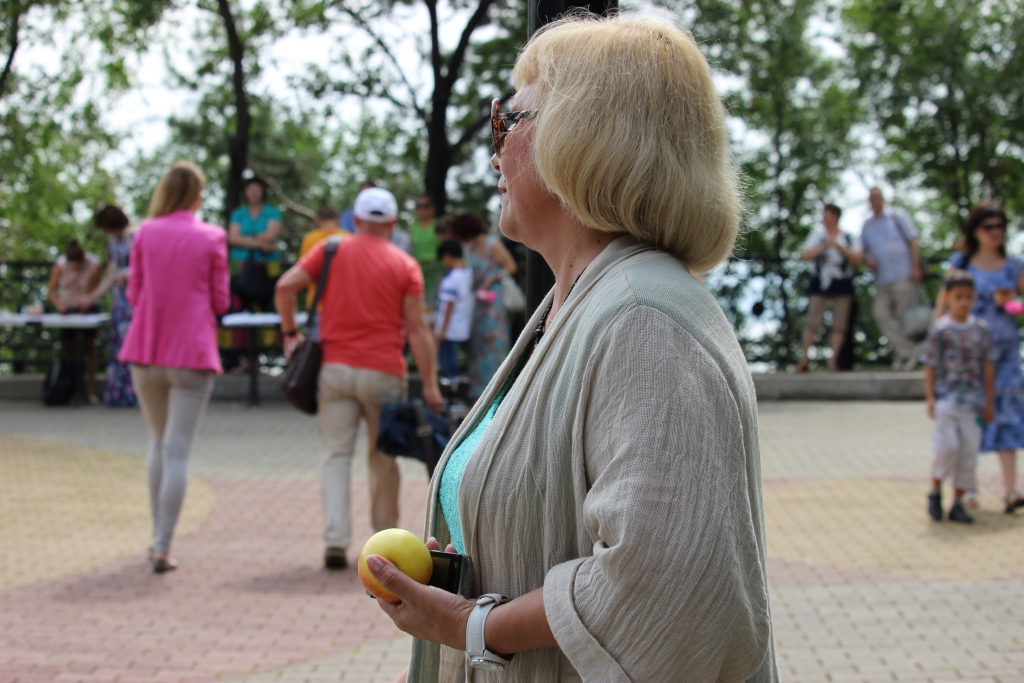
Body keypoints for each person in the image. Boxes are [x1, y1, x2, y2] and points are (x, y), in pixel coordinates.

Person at [364, 15, 778, 682]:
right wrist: (476, 553)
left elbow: (661, 582)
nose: (493, 152)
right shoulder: (581, 302)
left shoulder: (644, 317)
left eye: (507, 121)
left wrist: (471, 625)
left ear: (582, 136)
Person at [275, 187, 443, 571]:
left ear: (356, 219)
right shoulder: (404, 264)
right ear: (393, 224)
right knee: (383, 458)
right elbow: (417, 329)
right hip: (383, 371)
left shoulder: (331, 249)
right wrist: (430, 383)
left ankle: (335, 542)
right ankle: (383, 548)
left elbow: (285, 286)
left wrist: (289, 334)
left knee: (336, 454)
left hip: (333, 370)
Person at [119, 161, 231, 573]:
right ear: (198, 195)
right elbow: (221, 302)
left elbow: (134, 294)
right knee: (178, 449)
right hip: (193, 352)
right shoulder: (211, 236)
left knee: (157, 443)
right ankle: (164, 544)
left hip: (146, 348)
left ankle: (156, 537)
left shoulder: (144, 233)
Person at [936, 201, 1024, 513]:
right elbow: (943, 308)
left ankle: (1012, 489)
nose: (996, 232)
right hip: (967, 356)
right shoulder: (962, 263)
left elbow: (1021, 306)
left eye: (1000, 226)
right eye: (989, 227)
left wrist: (1013, 303)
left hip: (1006, 352)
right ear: (975, 230)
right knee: (967, 423)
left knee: (1008, 419)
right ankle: (967, 490)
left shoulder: (1014, 266)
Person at [923, 270, 995, 523]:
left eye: (968, 297)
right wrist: (930, 397)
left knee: (968, 453)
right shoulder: (940, 329)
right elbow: (930, 364)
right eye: (958, 297)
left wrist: (989, 400)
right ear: (948, 298)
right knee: (947, 447)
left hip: (972, 401)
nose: (964, 302)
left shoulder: (980, 330)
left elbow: (987, 365)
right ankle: (935, 490)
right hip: (946, 398)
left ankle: (957, 501)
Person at [447, 213, 519, 398]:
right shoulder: (469, 249)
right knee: (477, 346)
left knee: (495, 343)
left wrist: (491, 279)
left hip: (495, 301)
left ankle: (498, 391)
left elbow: (511, 267)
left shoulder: (492, 244)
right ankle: (480, 393)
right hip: (479, 303)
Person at [860, 187, 923, 370]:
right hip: (882, 278)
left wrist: (916, 267)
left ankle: (904, 357)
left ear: (883, 199)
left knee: (903, 318)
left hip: (903, 274)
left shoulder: (897, 216)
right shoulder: (867, 225)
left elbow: (913, 240)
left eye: (877, 197)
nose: (874, 201)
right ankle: (910, 351)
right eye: (871, 198)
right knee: (880, 315)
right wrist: (868, 259)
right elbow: (864, 250)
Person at [222, 176, 282, 367]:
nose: (254, 192)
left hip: (267, 268)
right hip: (240, 268)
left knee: (266, 309)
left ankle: (263, 356)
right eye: (251, 189)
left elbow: (271, 234)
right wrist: (260, 242)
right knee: (238, 308)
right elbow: (233, 238)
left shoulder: (272, 212)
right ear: (246, 192)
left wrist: (246, 238)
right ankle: (241, 358)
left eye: (257, 189)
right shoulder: (238, 213)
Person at [82, 204, 138, 407]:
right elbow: (111, 275)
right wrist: (91, 297)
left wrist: (128, 274)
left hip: (137, 298)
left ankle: (137, 393)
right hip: (121, 301)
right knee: (119, 345)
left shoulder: (137, 235)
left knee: (135, 343)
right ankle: (119, 394)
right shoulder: (113, 241)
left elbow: (149, 265)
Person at [796, 204, 862, 372]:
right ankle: (804, 358)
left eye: (827, 214)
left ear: (835, 216)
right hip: (820, 284)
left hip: (843, 284)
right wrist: (825, 245)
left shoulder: (849, 238)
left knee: (839, 324)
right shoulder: (817, 237)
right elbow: (805, 255)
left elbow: (857, 259)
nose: (824, 217)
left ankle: (833, 360)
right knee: (812, 322)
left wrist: (839, 246)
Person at [46, 239, 103, 403]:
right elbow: (51, 290)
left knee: (90, 347)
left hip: (87, 307)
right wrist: (59, 305)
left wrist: (84, 307)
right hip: (66, 308)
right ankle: (66, 388)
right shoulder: (60, 264)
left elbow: (93, 290)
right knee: (68, 347)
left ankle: (89, 390)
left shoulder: (94, 264)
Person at [434, 239, 473, 379]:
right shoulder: (467, 273)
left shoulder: (451, 279)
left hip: (449, 328)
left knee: (448, 363)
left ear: (447, 256)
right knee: (455, 360)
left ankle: (452, 393)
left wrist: (442, 330)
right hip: (461, 325)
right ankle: (456, 391)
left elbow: (448, 305)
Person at [299, 203, 348, 308]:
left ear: (318, 220)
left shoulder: (310, 239)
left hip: (316, 301)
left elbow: (303, 271)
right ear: (338, 220)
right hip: (342, 302)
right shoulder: (347, 238)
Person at [409, 194, 443, 307]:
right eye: (418, 206)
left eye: (425, 205)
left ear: (433, 208)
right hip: (418, 271)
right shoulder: (410, 229)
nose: (421, 209)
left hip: (437, 271)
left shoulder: (439, 226)